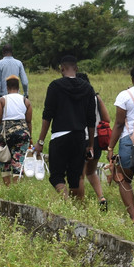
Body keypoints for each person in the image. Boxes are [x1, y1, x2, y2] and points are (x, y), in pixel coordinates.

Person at [32, 56, 96, 198]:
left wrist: (40, 142)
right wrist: (90, 145)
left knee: (56, 177)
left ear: (61, 69)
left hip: (60, 137)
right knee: (75, 179)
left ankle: (66, 202)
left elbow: (47, 115)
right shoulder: (88, 88)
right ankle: (76, 211)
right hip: (79, 137)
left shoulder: (55, 86)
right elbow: (91, 120)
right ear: (76, 68)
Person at [112, 65, 134, 222]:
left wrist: (110, 147)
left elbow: (119, 124)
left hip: (127, 141)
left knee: (123, 178)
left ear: (132, 78)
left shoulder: (124, 95)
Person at [0, 75, 32, 184]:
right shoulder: (26, 101)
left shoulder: (2, 100)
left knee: (4, 161)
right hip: (23, 134)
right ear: (18, 88)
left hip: (5, 134)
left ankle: (8, 188)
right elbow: (28, 121)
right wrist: (30, 137)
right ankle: (17, 189)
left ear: (7, 87)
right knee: (19, 162)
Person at [79, 72, 110, 212]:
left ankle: (80, 205)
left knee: (79, 174)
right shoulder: (96, 97)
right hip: (96, 140)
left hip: (81, 139)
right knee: (91, 172)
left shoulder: (75, 98)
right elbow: (107, 118)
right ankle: (101, 197)